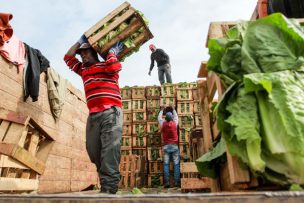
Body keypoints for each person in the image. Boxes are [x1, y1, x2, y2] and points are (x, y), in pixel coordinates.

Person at [64, 35, 124, 194]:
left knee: (109, 151)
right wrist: (79, 41)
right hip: (94, 116)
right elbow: (67, 57)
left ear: (94, 53)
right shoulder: (83, 70)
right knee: (93, 151)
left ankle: (109, 191)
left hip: (111, 112)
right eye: (81, 54)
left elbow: (114, 67)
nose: (82, 56)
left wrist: (112, 52)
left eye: (86, 53)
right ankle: (108, 179)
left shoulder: (106, 65)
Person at [158, 106, 180, 188]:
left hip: (166, 146)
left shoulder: (163, 124)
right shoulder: (175, 123)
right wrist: (174, 109)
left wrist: (161, 110)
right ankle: (177, 182)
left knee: (166, 164)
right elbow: (176, 116)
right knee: (176, 164)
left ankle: (167, 182)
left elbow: (159, 118)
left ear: (165, 118)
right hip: (174, 146)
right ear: (172, 118)